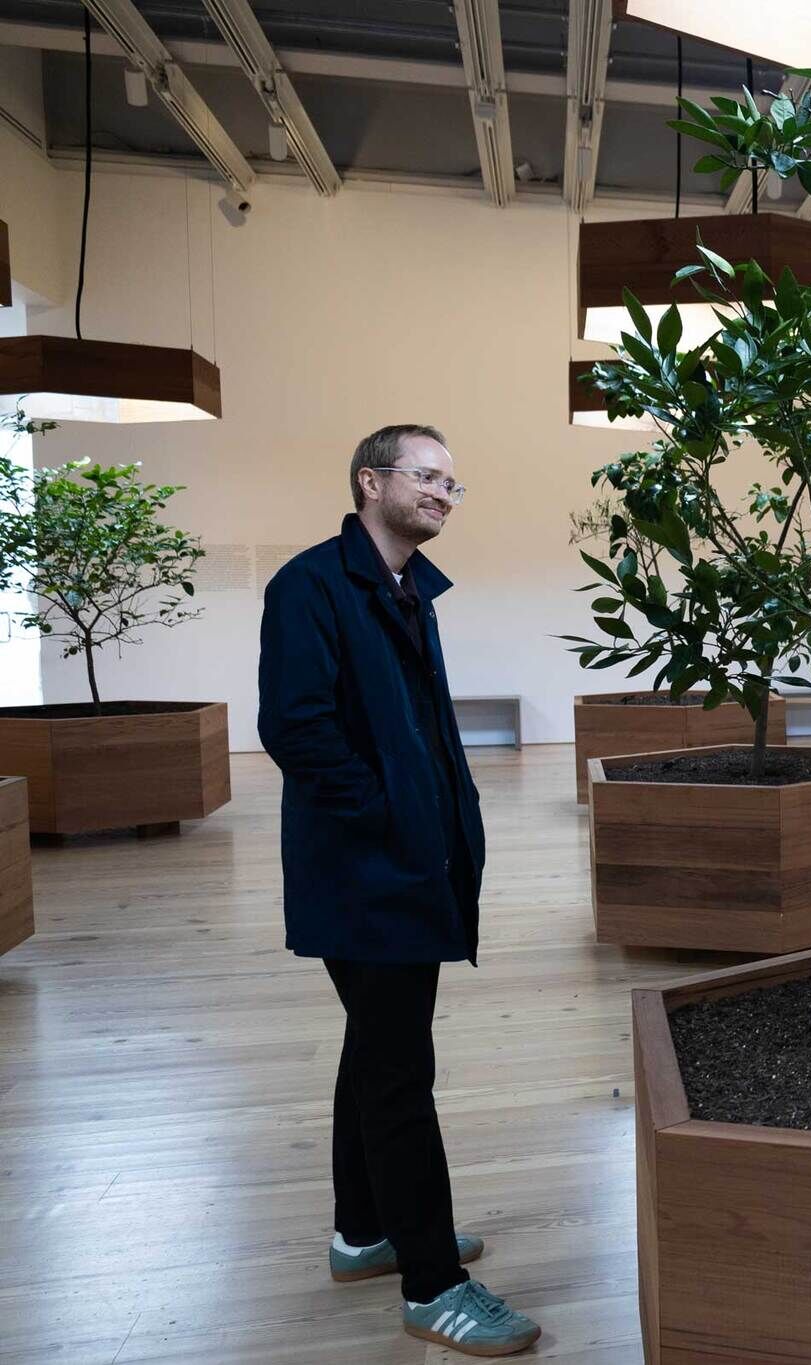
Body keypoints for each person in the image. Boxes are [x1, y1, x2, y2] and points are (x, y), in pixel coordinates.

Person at [258, 424, 539, 1356]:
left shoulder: (407, 587)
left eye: (453, 483)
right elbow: (296, 730)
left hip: (410, 864)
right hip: (365, 871)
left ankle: (362, 1231)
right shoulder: (309, 585)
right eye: (426, 477)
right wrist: (387, 816)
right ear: (370, 481)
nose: (444, 494)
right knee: (398, 1075)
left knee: (375, 1046)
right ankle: (432, 1283)